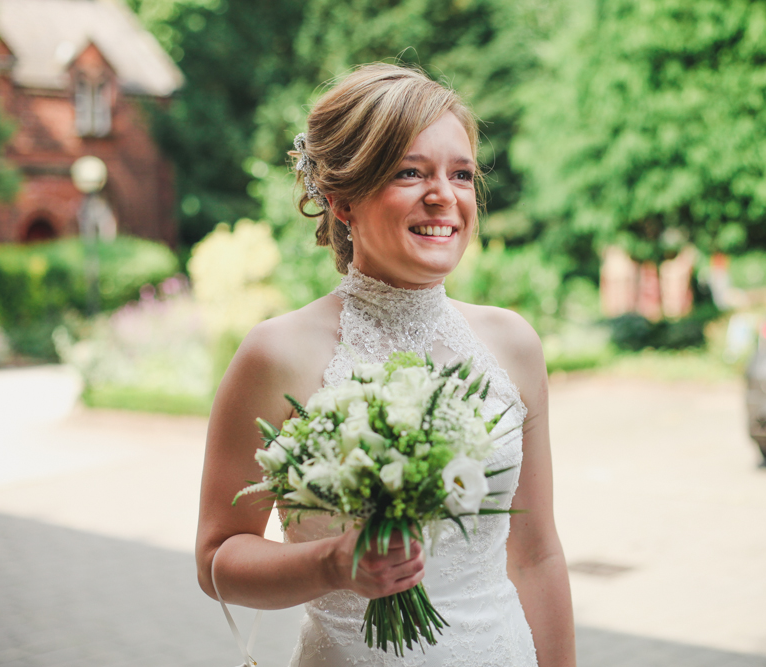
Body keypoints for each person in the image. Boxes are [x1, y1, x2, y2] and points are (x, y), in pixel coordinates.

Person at [196, 63, 575, 666]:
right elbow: (218, 561)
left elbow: (535, 556)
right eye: (409, 172)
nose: (444, 196)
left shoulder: (513, 344)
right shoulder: (277, 353)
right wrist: (334, 563)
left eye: (460, 174)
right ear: (343, 200)